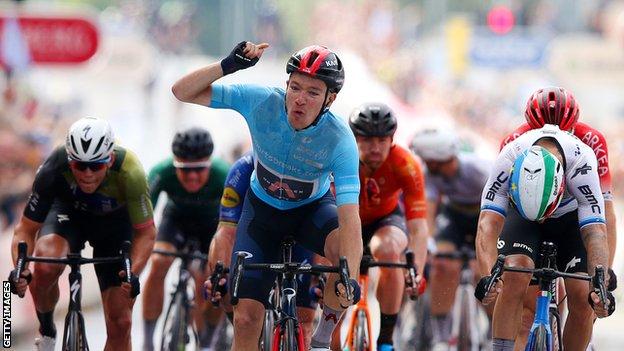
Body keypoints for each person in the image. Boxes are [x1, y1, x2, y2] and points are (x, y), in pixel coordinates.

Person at [172, 41, 362, 351]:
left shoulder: (340, 140)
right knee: (246, 320)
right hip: (262, 215)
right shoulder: (261, 101)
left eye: (313, 93)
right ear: (286, 85)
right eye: (295, 87)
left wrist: (350, 278)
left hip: (310, 213)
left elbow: (349, 216)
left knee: (343, 261)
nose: (299, 100)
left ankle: (321, 342)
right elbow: (182, 91)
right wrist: (226, 66)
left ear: (330, 99)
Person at [9, 117, 155, 351]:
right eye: (79, 165)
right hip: (68, 215)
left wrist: (132, 273)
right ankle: (47, 329)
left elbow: (147, 234)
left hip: (114, 226)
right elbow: (26, 229)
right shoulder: (54, 165)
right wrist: (21, 268)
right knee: (45, 266)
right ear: (69, 160)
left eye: (96, 165)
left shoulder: (131, 171)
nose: (87, 173)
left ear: (110, 159)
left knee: (121, 322)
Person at [475, 124, 615, 351]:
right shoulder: (509, 155)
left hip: (569, 220)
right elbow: (487, 224)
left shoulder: (582, 163)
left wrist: (599, 283)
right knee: (512, 273)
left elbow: (596, 232)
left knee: (582, 294)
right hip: (521, 216)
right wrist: (487, 277)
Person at [207, 151, 319, 348]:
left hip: (301, 238)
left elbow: (327, 230)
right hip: (258, 235)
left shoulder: (312, 166)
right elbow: (225, 232)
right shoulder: (242, 169)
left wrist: (322, 275)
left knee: (305, 322)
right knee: (240, 313)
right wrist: (220, 274)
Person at [344, 102, 428, 350]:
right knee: (333, 254)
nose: (375, 148)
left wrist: (418, 271)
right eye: (368, 140)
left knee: (390, 250)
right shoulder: (341, 157)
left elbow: (418, 227)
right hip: (347, 219)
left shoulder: (405, 163)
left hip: (386, 219)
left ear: (392, 139)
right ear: (355, 139)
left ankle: (386, 339)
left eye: (383, 140)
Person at [141, 127, 229, 351]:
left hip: (211, 227)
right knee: (159, 261)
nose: (192, 176)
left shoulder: (223, 174)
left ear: (209, 163)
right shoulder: (162, 172)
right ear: (174, 163)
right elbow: (143, 219)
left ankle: (208, 338)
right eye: (184, 169)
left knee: (210, 279)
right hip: (176, 222)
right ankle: (148, 340)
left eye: (199, 169)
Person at [410, 128, 492, 350]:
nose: (429, 167)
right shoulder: (431, 173)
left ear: (444, 159)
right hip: (453, 215)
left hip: (483, 215)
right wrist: (429, 243)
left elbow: (496, 210)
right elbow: (429, 209)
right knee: (443, 264)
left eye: (432, 163)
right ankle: (441, 335)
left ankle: (493, 326)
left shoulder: (477, 170)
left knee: (483, 271)